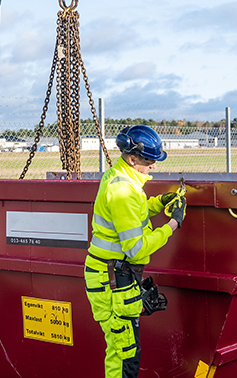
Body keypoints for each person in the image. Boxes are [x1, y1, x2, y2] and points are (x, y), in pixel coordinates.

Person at [84, 125, 186, 378]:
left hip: (113, 276)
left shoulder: (121, 177)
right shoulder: (123, 190)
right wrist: (172, 224)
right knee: (125, 353)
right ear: (133, 159)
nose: (154, 166)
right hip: (112, 282)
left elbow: (132, 215)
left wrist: (159, 203)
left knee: (122, 350)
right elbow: (136, 248)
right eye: (150, 161)